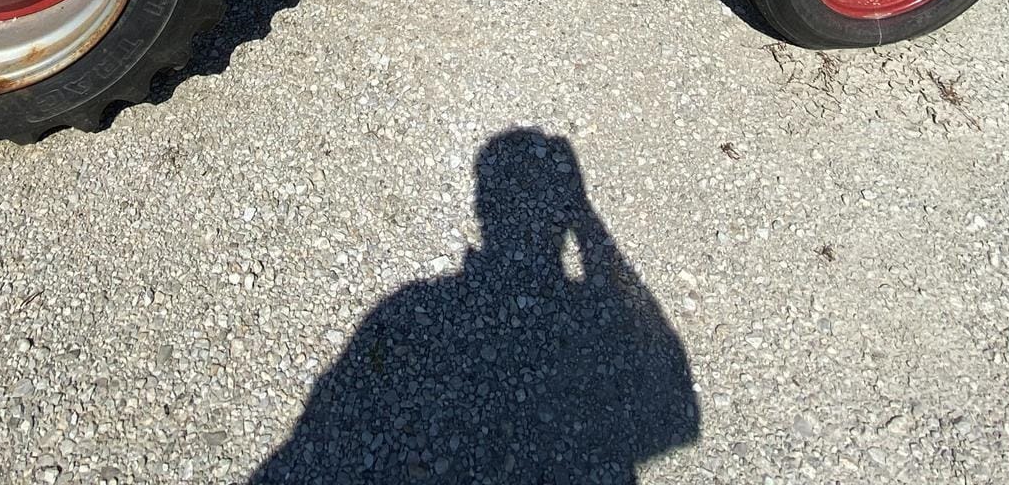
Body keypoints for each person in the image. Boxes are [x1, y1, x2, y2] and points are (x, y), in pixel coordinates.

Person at [248, 129, 699, 482]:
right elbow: (674, 417)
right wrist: (582, 215)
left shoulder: (408, 306)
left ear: (482, 202)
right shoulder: (410, 307)